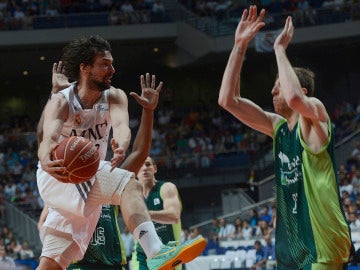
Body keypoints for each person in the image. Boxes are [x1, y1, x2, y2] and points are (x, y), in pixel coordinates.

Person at [36, 35, 206, 270]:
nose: (112, 69)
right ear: (85, 68)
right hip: (58, 176)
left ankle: (156, 252)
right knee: (129, 184)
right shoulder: (62, 101)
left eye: (112, 63)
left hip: (87, 179)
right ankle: (156, 251)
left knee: (51, 264)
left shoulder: (114, 96)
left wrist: (121, 144)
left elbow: (122, 127)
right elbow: (49, 138)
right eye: (104, 64)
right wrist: (45, 158)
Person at [218, 6, 352, 269]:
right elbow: (227, 100)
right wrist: (239, 46)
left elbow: (294, 98)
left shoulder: (315, 116)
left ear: (302, 89)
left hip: (323, 245)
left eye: (277, 85)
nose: (272, 91)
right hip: (291, 247)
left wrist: (279, 48)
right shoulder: (278, 128)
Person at [132, 156, 183, 270]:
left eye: (148, 164)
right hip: (142, 256)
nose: (144, 168)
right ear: (135, 171)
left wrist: (145, 214)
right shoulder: (133, 197)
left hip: (168, 253)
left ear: (154, 168)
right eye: (140, 165)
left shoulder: (167, 188)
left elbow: (174, 216)